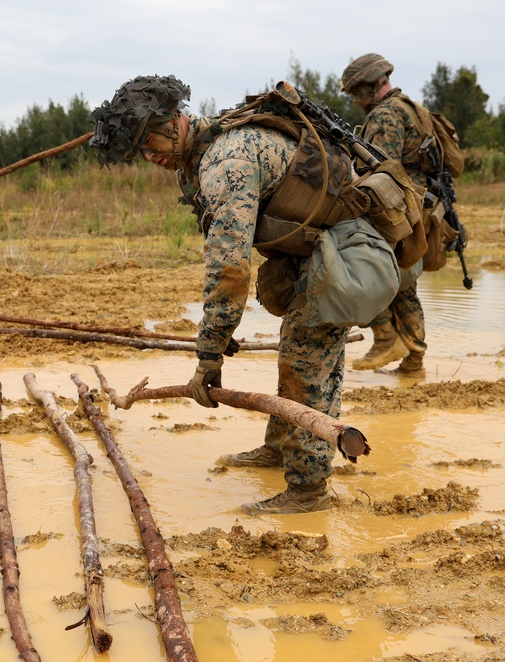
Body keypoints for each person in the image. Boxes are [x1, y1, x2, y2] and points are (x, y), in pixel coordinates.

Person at [88, 75, 384, 514]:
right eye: (141, 154)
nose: (152, 158)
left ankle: (308, 492)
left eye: (152, 144)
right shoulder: (206, 150)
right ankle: (282, 448)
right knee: (298, 349)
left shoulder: (225, 162)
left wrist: (210, 354)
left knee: (307, 359)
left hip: (347, 252)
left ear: (175, 122)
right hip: (319, 249)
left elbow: (229, 266)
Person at [340, 53, 429, 375]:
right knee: (405, 287)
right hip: (417, 211)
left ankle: (386, 338)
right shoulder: (410, 108)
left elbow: (378, 171)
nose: (354, 100)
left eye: (354, 92)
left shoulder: (386, 115)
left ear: (369, 85)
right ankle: (414, 361)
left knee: (365, 271)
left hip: (398, 211)